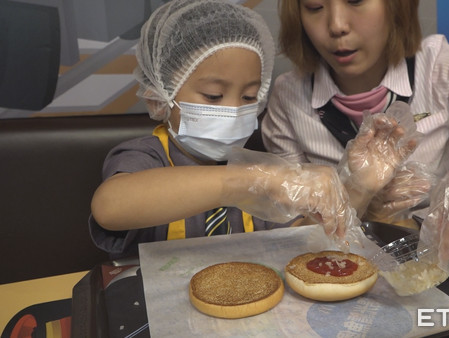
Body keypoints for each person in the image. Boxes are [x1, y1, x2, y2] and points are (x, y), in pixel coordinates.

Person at [262, 0, 449, 278]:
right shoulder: (288, 96)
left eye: (356, 0)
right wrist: (354, 190)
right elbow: (291, 234)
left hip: (444, 268)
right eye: (315, 6)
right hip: (340, 273)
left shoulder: (442, 64)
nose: (337, 25)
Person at [89, 0, 376, 259]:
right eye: (213, 96)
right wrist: (250, 180)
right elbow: (110, 207)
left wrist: (360, 186)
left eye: (249, 97)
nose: (233, 110)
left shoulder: (256, 166)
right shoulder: (144, 156)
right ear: (160, 97)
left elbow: (301, 239)